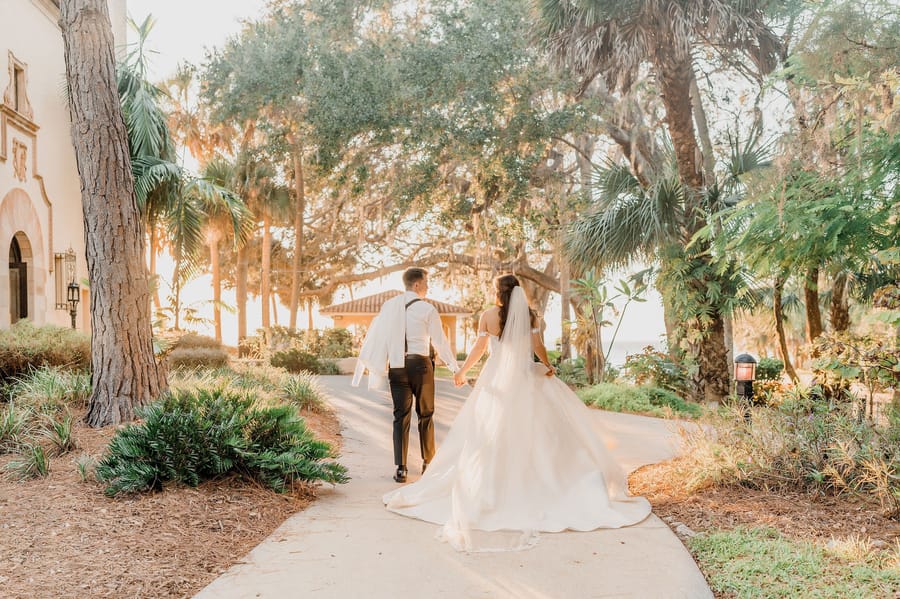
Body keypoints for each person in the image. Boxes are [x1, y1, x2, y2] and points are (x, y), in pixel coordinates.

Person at [383, 274, 651, 552]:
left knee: (490, 433)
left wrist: (463, 371)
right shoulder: (530, 316)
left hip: (496, 380)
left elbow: (479, 349)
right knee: (537, 431)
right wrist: (548, 365)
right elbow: (537, 348)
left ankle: (491, 489)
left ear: (498, 293)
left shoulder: (487, 315)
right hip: (524, 378)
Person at [353, 268, 459, 483]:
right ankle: (428, 463)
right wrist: (455, 368)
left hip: (397, 367)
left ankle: (401, 469)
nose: (428, 287)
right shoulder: (427, 309)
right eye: (426, 282)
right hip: (420, 365)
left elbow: (379, 336)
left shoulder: (389, 307)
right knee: (425, 414)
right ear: (417, 284)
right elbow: (439, 342)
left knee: (400, 416)